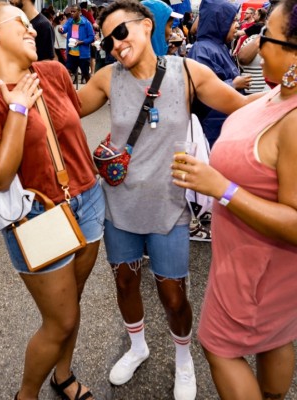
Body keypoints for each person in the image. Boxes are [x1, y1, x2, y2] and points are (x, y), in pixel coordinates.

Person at [77, 0, 261, 398]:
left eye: (121, 32)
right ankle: (138, 346)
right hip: (120, 204)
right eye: (108, 40)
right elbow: (66, 112)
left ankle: (183, 358)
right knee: (125, 282)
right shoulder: (107, 78)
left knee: (173, 293)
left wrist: (286, 95)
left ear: (146, 26)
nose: (115, 44)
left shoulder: (188, 72)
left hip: (170, 208)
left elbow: (244, 109)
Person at [0, 3, 104, 400]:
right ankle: (26, 394)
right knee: (61, 319)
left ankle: (64, 375)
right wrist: (18, 106)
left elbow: (73, 119)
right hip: (38, 215)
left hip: (88, 198)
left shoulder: (54, 71)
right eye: (19, 22)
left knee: (73, 302)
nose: (31, 27)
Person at [171, 1, 297, 399]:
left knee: (219, 347)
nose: (257, 46)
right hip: (253, 260)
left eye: (267, 37)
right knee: (275, 334)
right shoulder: (279, 93)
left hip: (256, 268)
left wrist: (220, 186)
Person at [187, 0, 252, 149]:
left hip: (224, 124)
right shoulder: (202, 50)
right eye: (232, 21)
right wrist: (234, 84)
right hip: (212, 128)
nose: (236, 25)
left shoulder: (219, 46)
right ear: (219, 22)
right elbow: (199, 90)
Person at [60, 4, 95, 84]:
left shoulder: (86, 23)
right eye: (71, 12)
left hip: (83, 55)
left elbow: (92, 38)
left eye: (74, 12)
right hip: (71, 54)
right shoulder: (70, 22)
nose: (72, 13)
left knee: (86, 75)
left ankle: (89, 90)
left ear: (79, 12)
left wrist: (81, 42)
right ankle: (68, 92)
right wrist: (60, 29)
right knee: (67, 73)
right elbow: (64, 29)